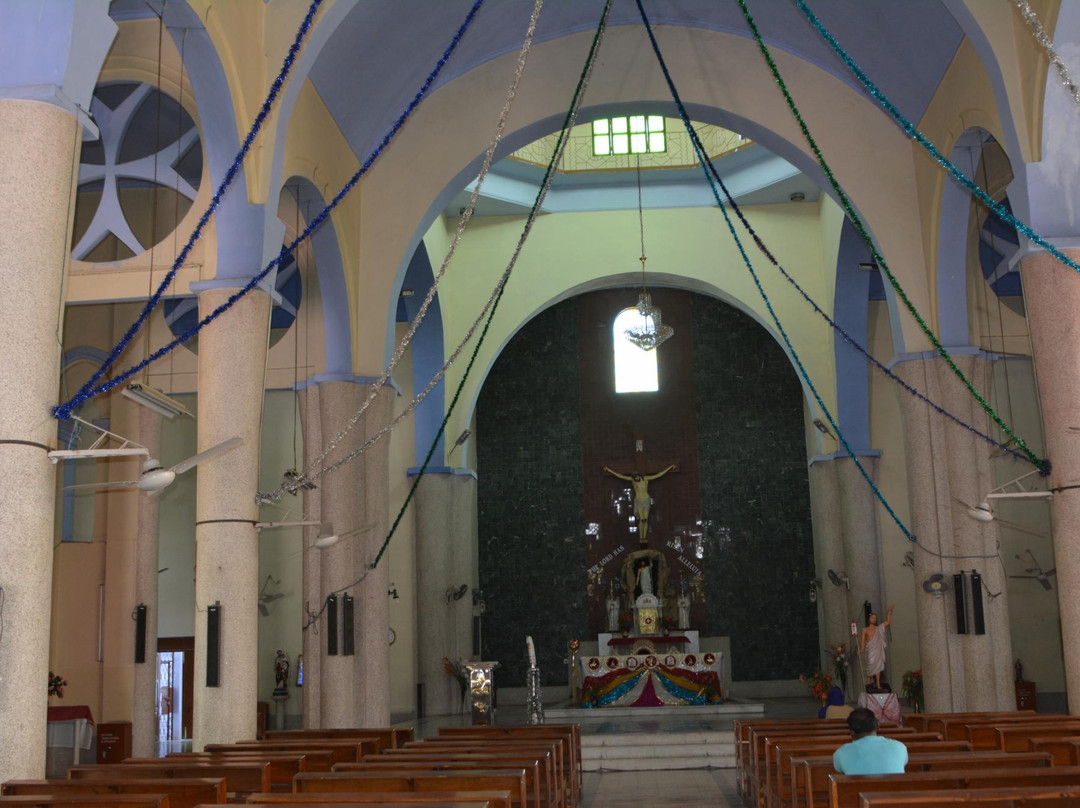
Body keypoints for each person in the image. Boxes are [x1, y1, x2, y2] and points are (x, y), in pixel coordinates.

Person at [603, 464, 677, 542]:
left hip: (646, 500)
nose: (636, 478)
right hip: (639, 500)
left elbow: (658, 475)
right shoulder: (633, 481)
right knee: (642, 519)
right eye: (635, 477)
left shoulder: (645, 479)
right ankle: (641, 536)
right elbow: (620, 476)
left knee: (645, 519)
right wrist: (609, 470)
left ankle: (644, 536)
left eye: (637, 476)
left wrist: (669, 468)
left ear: (638, 475)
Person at [832, 707, 908, 774]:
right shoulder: (900, 747)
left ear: (851, 732)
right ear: (877, 726)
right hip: (893, 789)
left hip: (858, 790)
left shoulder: (842, 753)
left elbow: (839, 769)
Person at [860, 604, 894, 689]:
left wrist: (889, 612)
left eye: (875, 618)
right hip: (870, 649)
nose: (874, 619)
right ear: (869, 619)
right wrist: (862, 649)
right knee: (870, 665)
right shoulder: (865, 630)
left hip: (877, 649)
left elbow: (888, 622)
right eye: (872, 618)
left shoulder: (879, 628)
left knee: (878, 667)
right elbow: (863, 640)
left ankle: (878, 684)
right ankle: (869, 679)